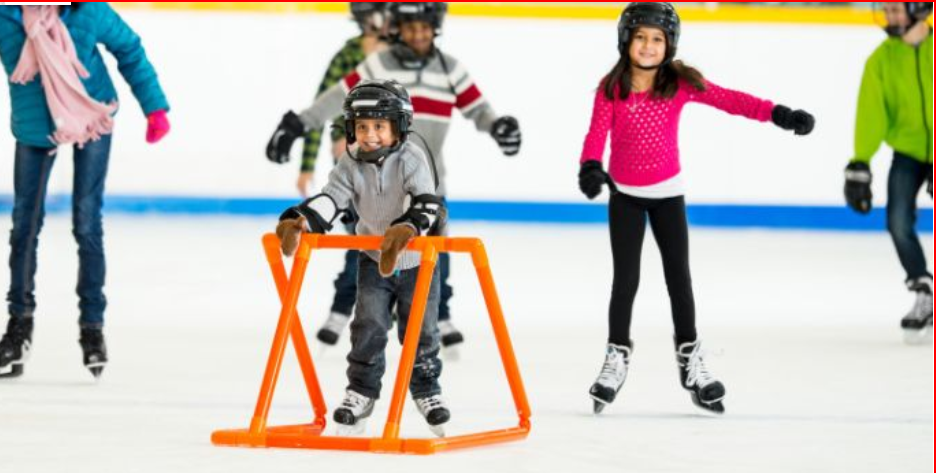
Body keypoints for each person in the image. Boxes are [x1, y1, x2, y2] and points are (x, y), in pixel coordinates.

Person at [577, 2, 815, 414]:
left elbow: (730, 100)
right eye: (640, 37)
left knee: (679, 280)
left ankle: (690, 360)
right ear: (625, 40)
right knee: (626, 281)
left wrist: (778, 114)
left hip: (668, 195)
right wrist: (591, 167)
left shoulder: (679, 83)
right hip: (626, 197)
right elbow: (596, 134)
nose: (648, 46)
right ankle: (616, 356)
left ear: (669, 45)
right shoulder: (610, 88)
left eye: (657, 39)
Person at [0, 3, 171, 379]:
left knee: (86, 222)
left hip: (90, 117)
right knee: (25, 224)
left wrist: (154, 108)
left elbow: (129, 51)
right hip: (36, 126)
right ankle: (18, 330)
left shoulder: (90, 11)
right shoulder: (0, 15)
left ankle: (92, 328)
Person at [267, 2, 522, 352]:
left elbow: (477, 108)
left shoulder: (450, 71)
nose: (417, 35)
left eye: (424, 28)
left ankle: (438, 312)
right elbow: (339, 97)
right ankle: (362, 307)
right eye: (409, 27)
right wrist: (299, 123)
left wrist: (497, 126)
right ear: (397, 28)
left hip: (430, 184)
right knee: (368, 243)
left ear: (435, 28)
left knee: (436, 251)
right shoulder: (380, 65)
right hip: (376, 183)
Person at [275, 80, 450, 436]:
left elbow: (429, 204)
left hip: (419, 262)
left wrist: (405, 230)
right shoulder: (350, 162)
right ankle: (361, 391)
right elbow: (332, 197)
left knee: (421, 331)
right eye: (362, 126)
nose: (369, 135)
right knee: (368, 326)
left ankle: (427, 391)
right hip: (374, 258)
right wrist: (303, 220)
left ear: (398, 126)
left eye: (379, 126)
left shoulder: (412, 157)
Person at [298, 2, 390, 347]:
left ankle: (393, 312)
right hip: (353, 167)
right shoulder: (348, 55)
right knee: (360, 241)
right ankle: (342, 310)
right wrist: (307, 164)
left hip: (395, 166)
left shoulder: (400, 55)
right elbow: (321, 105)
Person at [843, 2, 933, 345]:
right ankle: (922, 287)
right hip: (907, 152)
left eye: (897, 10)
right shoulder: (880, 60)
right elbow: (871, 112)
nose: (891, 17)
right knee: (897, 219)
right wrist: (860, 161)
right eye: (887, 10)